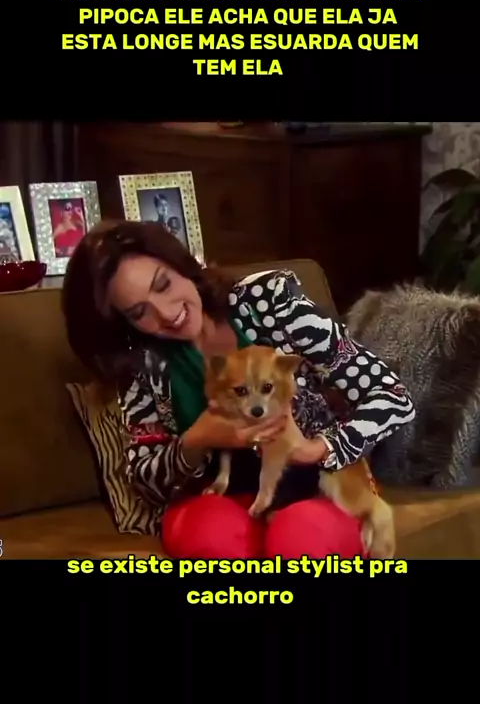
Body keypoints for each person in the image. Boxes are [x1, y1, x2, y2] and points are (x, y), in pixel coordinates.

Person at [62, 220, 415, 560]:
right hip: (219, 497)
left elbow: (391, 396)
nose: (166, 314)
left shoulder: (271, 301)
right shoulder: (140, 362)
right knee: (212, 539)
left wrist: (316, 449)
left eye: (164, 284)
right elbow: (146, 481)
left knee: (301, 538)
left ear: (181, 265)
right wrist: (196, 440)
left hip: (313, 484)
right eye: (140, 312)